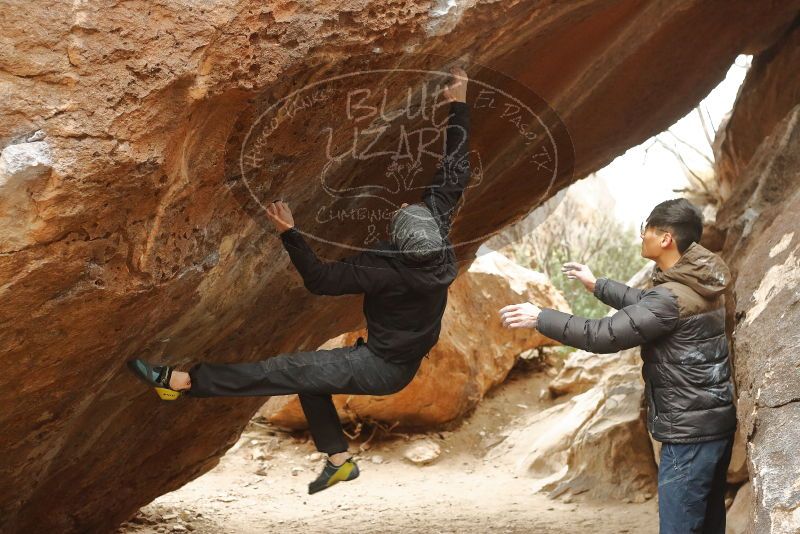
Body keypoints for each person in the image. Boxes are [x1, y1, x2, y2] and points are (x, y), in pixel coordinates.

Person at [128, 66, 472, 494]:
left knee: (288, 370)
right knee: (313, 381)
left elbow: (321, 280)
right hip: (396, 364)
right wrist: (459, 105)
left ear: (401, 244)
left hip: (377, 369)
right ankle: (339, 459)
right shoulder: (434, 241)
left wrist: (289, 234)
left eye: (401, 212)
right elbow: (453, 173)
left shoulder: (386, 272)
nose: (405, 202)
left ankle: (181, 382)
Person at [500, 198, 736, 534]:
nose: (642, 237)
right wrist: (597, 285)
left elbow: (602, 335)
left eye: (647, 230)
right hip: (714, 424)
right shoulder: (701, 282)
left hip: (688, 437)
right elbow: (648, 305)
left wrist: (540, 317)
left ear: (666, 238)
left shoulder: (670, 298)